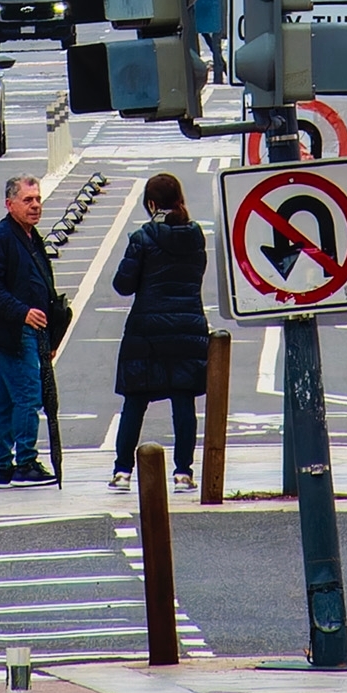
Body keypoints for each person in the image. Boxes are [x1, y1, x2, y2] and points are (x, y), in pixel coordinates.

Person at [107, 172, 211, 494]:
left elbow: (123, 285)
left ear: (151, 204)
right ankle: (183, 474)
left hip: (147, 330)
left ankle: (122, 471)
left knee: (135, 402)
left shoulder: (143, 238)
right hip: (187, 326)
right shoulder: (196, 237)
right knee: (183, 403)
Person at [0, 173, 56, 491]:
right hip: (14, 332)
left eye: (38, 199)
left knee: (6, 402)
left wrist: (50, 335)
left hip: (30, 330)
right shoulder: (0, 237)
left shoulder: (30, 236)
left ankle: (2, 468)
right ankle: (25, 463)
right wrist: (23, 313)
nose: (35, 206)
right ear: (10, 204)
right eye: (28, 200)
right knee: (28, 397)